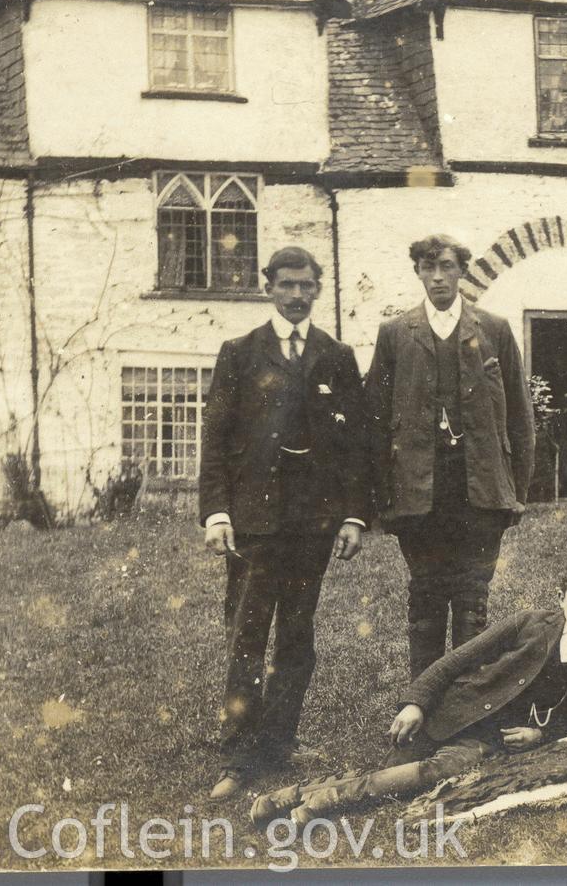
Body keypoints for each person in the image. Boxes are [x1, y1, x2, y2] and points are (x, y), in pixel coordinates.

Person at [248, 565, 567, 827]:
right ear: (561, 598)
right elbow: (456, 660)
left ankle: (321, 801)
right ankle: (291, 796)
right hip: (453, 711)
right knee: (391, 775)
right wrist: (416, 704)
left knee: (434, 772)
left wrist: (542, 735)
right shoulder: (529, 623)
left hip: (491, 739)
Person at [199, 246, 369, 800]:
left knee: (297, 636)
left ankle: (278, 740)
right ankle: (238, 753)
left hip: (312, 526)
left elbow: (352, 446)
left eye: (307, 285)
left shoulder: (337, 356)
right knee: (247, 635)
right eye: (286, 284)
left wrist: (351, 515)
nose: (296, 295)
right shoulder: (240, 353)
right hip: (254, 523)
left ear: (319, 289)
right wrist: (218, 512)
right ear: (268, 286)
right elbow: (217, 439)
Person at [365, 234, 534, 677]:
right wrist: (382, 495)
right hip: (418, 490)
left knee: (473, 598)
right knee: (425, 596)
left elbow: (519, 415)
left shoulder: (493, 330)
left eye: (446, 267)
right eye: (428, 267)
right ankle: (420, 701)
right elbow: (374, 421)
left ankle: (465, 704)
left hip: (478, 487)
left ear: (461, 271)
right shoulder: (396, 334)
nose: (437, 277)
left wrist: (516, 489)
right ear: (418, 272)